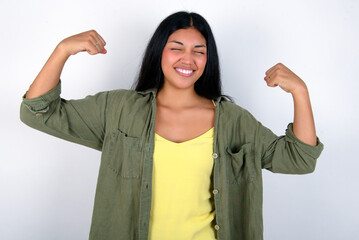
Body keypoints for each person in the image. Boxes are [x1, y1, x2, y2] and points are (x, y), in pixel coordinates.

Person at [20, 11, 323, 240]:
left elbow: (299, 158)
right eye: (176, 47)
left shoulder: (234, 121)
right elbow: (38, 111)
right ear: (160, 52)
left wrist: (300, 92)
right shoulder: (119, 109)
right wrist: (62, 50)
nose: (188, 59)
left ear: (208, 59)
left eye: (199, 51)